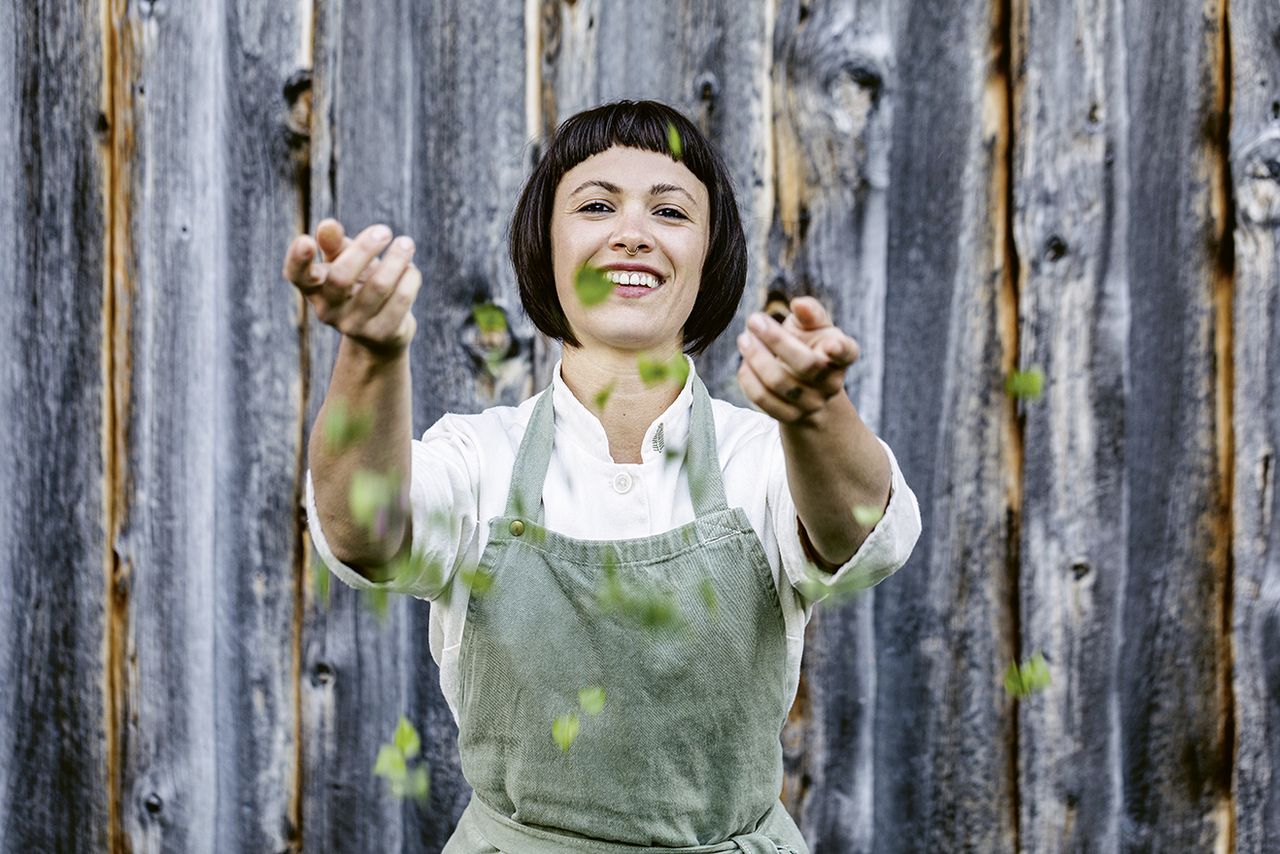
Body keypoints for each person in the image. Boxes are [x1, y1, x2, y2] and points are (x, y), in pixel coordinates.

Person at [283, 100, 921, 854]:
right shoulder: (477, 456)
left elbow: (858, 533)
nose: (633, 232)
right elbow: (366, 532)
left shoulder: (764, 456)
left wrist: (817, 416)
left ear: (709, 255)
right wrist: (372, 353)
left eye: (670, 211)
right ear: (546, 248)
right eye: (595, 205)